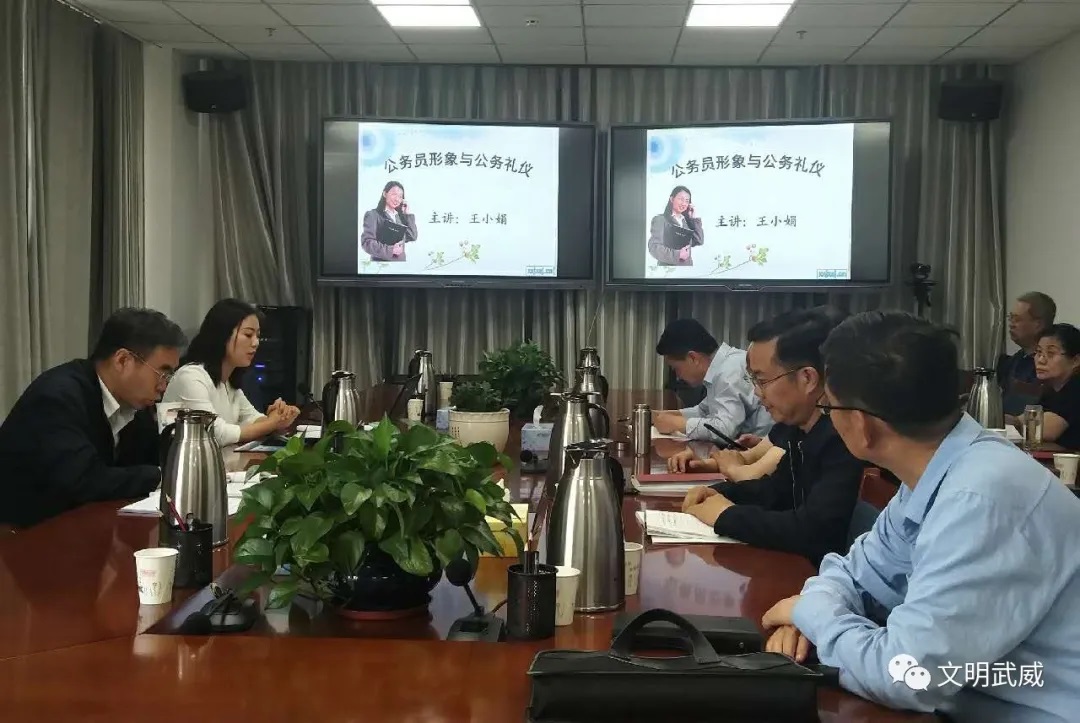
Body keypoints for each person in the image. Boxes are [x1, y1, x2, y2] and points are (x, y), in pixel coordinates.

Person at [762, 310, 1080, 722]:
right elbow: (856, 574)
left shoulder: (979, 499)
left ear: (861, 425)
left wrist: (812, 616)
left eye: (828, 406)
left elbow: (908, 677)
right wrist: (815, 614)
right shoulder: (935, 472)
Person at [679, 307, 864, 565]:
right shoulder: (799, 428)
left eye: (762, 380)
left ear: (807, 378)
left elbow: (815, 531)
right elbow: (776, 491)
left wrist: (726, 515)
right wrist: (717, 493)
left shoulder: (844, 438)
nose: (757, 393)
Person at [0, 308, 185, 527]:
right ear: (122, 361)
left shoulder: (135, 404)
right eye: (162, 374)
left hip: (88, 525)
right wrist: (160, 476)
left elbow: (150, 459)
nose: (164, 386)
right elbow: (84, 481)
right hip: (24, 534)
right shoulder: (57, 397)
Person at [162, 299, 300, 446]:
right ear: (222, 335)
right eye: (248, 335)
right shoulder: (191, 376)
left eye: (258, 336)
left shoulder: (228, 380)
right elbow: (216, 433)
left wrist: (279, 417)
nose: (256, 343)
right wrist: (271, 423)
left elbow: (251, 418)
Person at [653, 318, 772, 442]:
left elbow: (725, 430)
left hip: (763, 448)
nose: (678, 376)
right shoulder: (721, 366)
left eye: (676, 368)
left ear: (693, 358)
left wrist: (680, 424)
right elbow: (704, 411)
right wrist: (668, 415)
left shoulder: (728, 373)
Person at [998, 291, 1055, 416]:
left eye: (1017, 319)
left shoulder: (1050, 366)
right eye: (1010, 318)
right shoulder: (1015, 359)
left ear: (1038, 325)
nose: (1011, 324)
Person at [1031, 323, 1080, 449]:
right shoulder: (1051, 389)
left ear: (1075, 361)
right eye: (1038, 352)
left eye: (1051, 353)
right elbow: (1030, 418)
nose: (1041, 360)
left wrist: (1015, 422)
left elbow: (1045, 430)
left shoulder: (1076, 389)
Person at [360, 181, 418, 262]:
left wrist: (407, 214)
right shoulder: (373, 215)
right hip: (381, 265)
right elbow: (367, 243)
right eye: (394, 194)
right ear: (385, 194)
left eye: (400, 197)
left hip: (400, 264)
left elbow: (412, 236)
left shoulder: (400, 216)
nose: (397, 199)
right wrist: (391, 250)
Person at [647, 185, 703, 266]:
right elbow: (654, 247)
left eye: (687, 201)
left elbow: (699, 241)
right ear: (672, 199)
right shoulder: (661, 220)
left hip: (687, 269)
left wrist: (693, 219)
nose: (684, 203)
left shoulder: (686, 221)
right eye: (681, 199)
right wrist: (677, 255)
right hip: (669, 270)